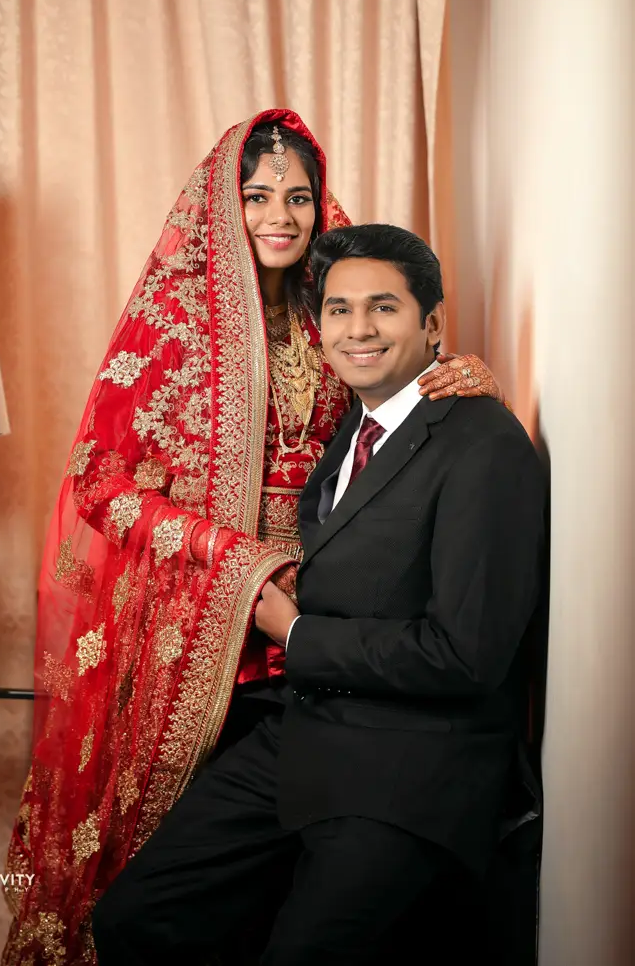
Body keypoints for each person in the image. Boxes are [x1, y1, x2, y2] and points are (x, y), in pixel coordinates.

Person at [1, 118, 502, 966]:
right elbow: (96, 480)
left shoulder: (328, 309)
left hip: (320, 634)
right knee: (164, 882)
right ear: (221, 205)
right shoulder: (172, 320)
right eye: (257, 195)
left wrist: (457, 372)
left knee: (271, 887)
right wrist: (233, 558)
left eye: (298, 196)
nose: (280, 215)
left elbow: (393, 410)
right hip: (196, 623)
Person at [91, 222, 545, 966]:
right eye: (339, 309)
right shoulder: (353, 428)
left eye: (383, 307)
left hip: (411, 769)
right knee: (135, 918)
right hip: (307, 737)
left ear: (432, 324)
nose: (357, 329)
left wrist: (296, 633)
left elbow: (466, 655)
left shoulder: (483, 444)